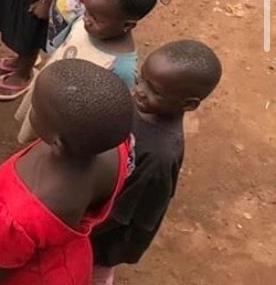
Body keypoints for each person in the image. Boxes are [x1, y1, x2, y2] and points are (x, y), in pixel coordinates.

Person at [0, 59, 136, 285]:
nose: (31, 108)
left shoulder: (22, 213)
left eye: (36, 109)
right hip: (75, 262)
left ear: (57, 144)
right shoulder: (114, 149)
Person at [91, 40, 222, 285]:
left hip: (107, 233)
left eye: (156, 91)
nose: (140, 90)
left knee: (93, 268)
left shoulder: (159, 156)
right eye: (142, 79)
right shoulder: (140, 106)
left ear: (188, 104)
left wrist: (81, 228)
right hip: (103, 205)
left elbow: (123, 214)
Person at [14, 0, 171, 142]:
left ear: (127, 25)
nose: (86, 19)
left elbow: (108, 116)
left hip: (67, 125)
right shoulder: (84, 23)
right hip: (47, 97)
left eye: (96, 19)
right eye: (87, 11)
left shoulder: (121, 68)